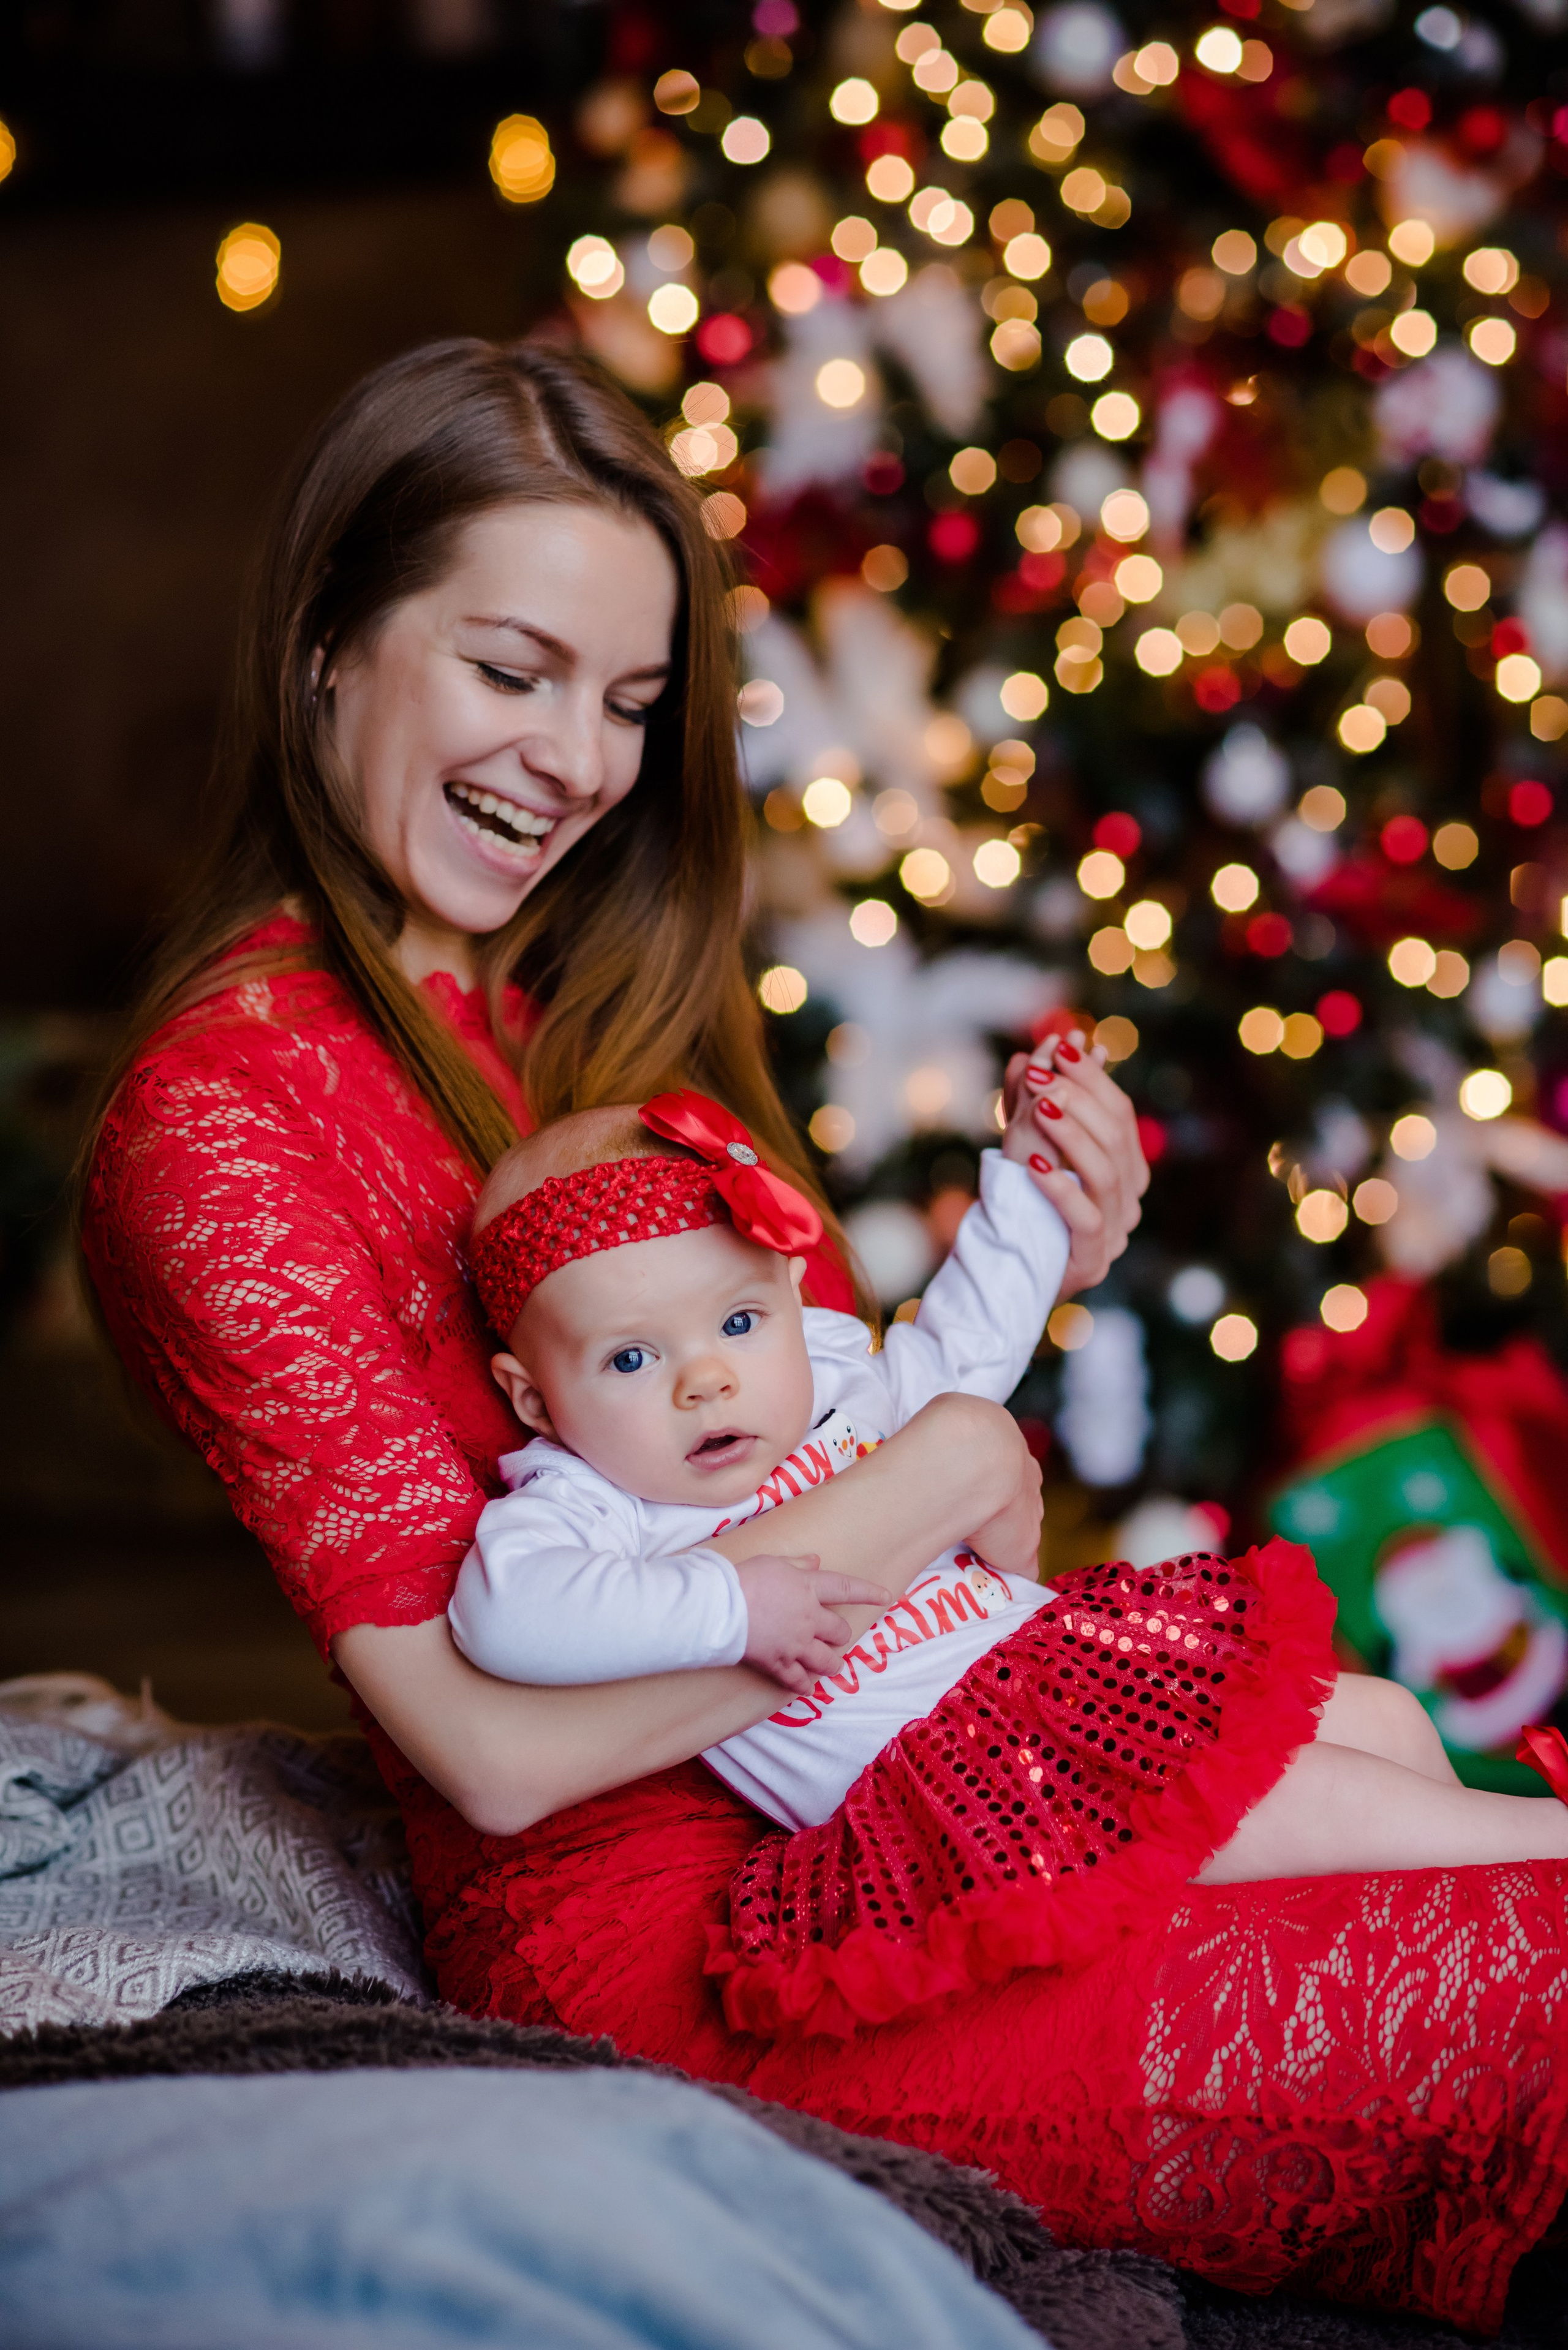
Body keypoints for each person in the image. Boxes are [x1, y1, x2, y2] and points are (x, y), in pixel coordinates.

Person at [80, 339, 1568, 2338]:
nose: (578, 761)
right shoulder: (219, 1126)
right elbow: (498, 1756)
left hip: (908, 1791)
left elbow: (833, 1421)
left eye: (625, 701)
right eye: (512, 670)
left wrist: (1034, 1258)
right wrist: (912, 1511)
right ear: (330, 645)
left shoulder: (567, 1020)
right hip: (683, 1946)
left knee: (1401, 1766)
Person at [449, 1085, 1568, 2038]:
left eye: (738, 1324)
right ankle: (1541, 1855)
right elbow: (511, 1618)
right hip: (977, 1795)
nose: (706, 1380)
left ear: (791, 1300)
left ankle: (1488, 1961)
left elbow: (967, 1343)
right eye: (634, 1357)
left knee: (1385, 1725)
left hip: (1083, 1686)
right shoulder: (588, 1506)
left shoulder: (841, 1390)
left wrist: (1030, 1185)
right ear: (536, 1397)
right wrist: (730, 1606)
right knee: (1326, 1806)